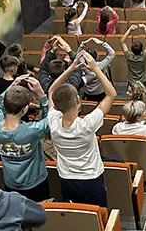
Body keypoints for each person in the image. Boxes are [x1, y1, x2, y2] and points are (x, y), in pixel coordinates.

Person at [48, 51, 117, 207]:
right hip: (91, 180)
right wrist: (96, 69)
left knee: (77, 216)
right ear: (78, 101)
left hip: (66, 179)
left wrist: (70, 69)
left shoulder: (53, 122)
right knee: (98, 215)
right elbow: (111, 95)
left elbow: (51, 91)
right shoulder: (87, 125)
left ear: (56, 107)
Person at [0, 76, 51, 202]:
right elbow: (51, 119)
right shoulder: (32, 130)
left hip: (10, 183)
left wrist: (10, 88)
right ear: (25, 109)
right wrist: (42, 95)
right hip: (36, 183)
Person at [121, 24, 146, 91]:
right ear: (141, 51)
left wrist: (130, 29)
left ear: (131, 50)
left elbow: (122, 42)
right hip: (142, 83)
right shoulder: (143, 57)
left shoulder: (129, 57)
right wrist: (144, 28)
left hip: (131, 83)